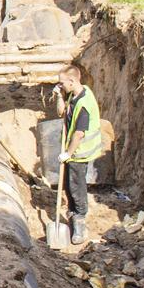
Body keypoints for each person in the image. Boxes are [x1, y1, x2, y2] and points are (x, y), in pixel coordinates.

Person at [55, 65, 102, 244]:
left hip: (79, 152)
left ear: (72, 81)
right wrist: (59, 95)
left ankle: (80, 222)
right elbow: (61, 113)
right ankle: (72, 213)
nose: (61, 86)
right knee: (69, 186)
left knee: (76, 187)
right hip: (72, 150)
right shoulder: (73, 96)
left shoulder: (84, 104)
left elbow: (79, 133)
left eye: (62, 84)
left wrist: (68, 153)